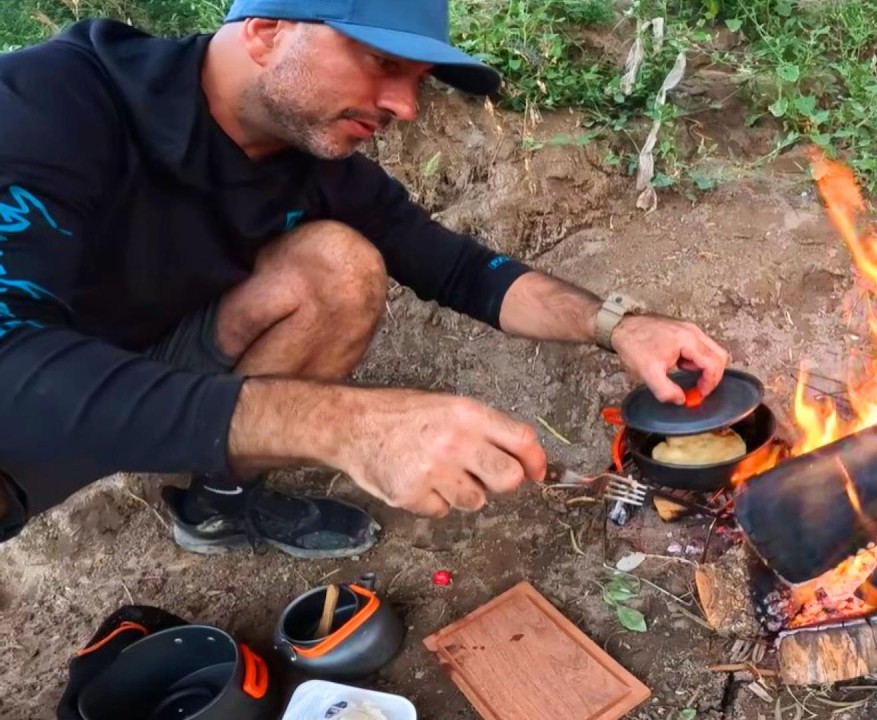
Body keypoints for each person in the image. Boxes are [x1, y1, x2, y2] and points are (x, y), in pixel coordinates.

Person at [0, 0, 729, 559]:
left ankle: (220, 505)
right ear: (268, 31)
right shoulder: (49, 103)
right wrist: (352, 426)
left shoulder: (316, 166)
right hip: (27, 410)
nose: (405, 106)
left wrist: (619, 325)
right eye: (382, 62)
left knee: (338, 264)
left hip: (159, 354)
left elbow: (464, 271)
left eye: (415, 80)